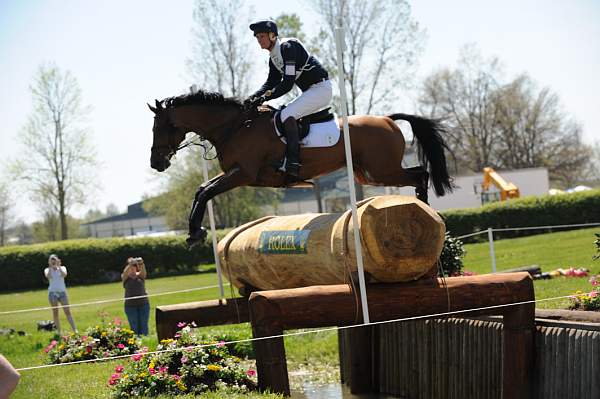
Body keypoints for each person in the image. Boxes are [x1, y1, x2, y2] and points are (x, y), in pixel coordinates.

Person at [245, 19, 332, 179]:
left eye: (262, 36)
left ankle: (293, 163)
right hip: (310, 91)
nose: (259, 40)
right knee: (280, 114)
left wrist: (264, 98)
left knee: (285, 115)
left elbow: (287, 84)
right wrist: (252, 98)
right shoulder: (273, 58)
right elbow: (270, 83)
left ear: (272, 35)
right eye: (257, 37)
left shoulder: (287, 47)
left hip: (321, 89)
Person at [43, 254, 77, 333]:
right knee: (55, 313)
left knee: (67, 311)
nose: (54, 261)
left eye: (55, 260)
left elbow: (64, 275)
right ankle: (59, 331)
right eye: (52, 260)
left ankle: (75, 329)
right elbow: (48, 276)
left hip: (62, 293)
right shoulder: (47, 270)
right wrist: (51, 267)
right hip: (52, 294)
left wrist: (58, 266)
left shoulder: (62, 268)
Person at [121, 257, 150, 336]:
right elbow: (124, 273)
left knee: (144, 326)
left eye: (134, 265)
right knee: (134, 327)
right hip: (130, 306)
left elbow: (143, 273)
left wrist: (141, 263)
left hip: (144, 304)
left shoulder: (140, 276)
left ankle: (145, 343)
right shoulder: (125, 277)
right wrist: (130, 263)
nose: (133, 267)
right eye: (131, 266)